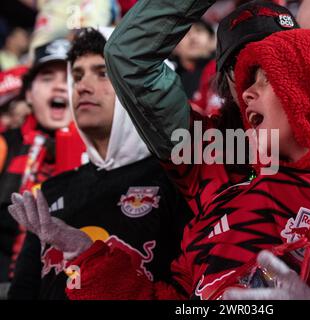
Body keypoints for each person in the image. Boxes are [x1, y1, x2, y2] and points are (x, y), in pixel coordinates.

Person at [8, 0, 310, 300]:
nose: (251, 88)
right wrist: (91, 259)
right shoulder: (211, 157)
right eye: (244, 71)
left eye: (281, 64)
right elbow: (130, 59)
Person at [7, 27, 193, 300]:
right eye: (78, 75)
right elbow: (23, 291)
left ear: (143, 86)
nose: (82, 86)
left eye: (103, 73)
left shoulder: (180, 180)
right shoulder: (51, 190)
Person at [0, 38, 79, 284]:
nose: (59, 87)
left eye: (70, 78)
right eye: (47, 78)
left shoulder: (105, 154)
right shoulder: (5, 145)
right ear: (29, 94)